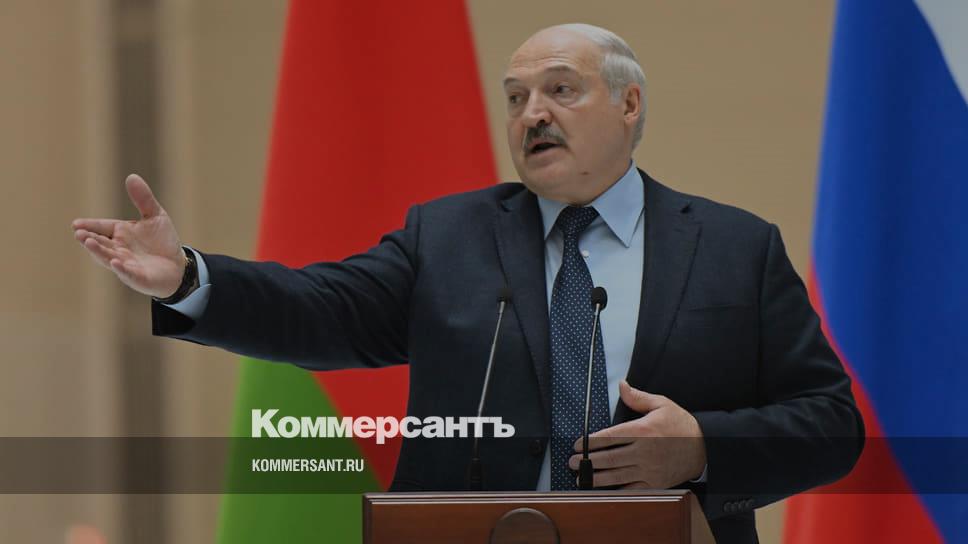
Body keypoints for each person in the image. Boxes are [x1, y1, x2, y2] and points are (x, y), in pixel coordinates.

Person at [72, 24, 863, 543]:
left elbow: (830, 424)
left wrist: (700, 450)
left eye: (560, 90)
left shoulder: (734, 248)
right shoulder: (449, 238)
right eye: (516, 98)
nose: (532, 114)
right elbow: (320, 310)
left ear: (629, 105)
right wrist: (190, 278)